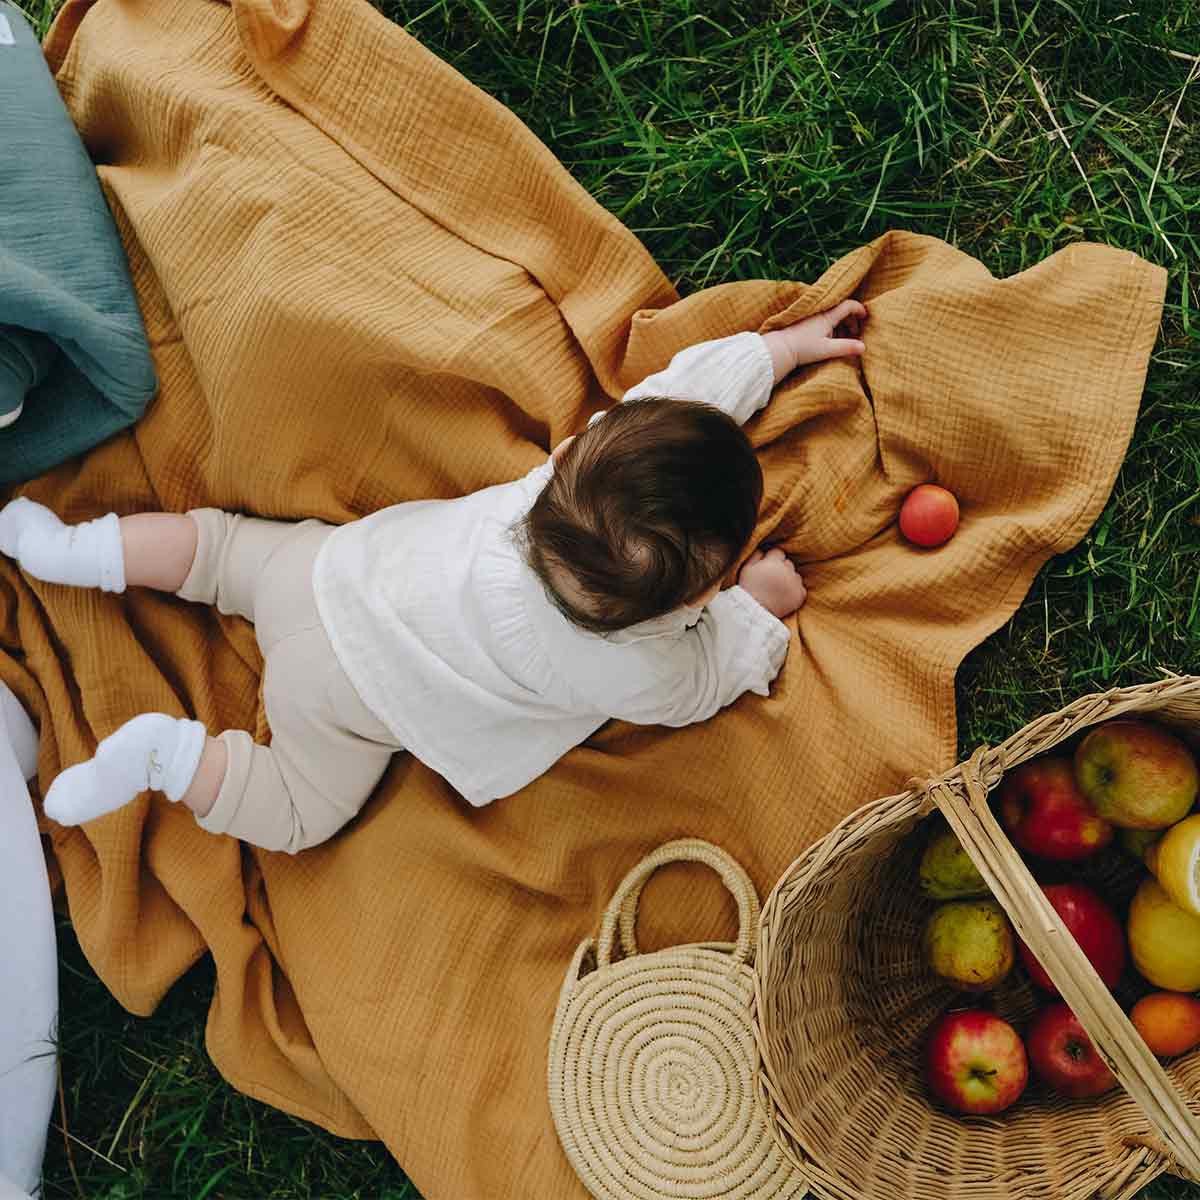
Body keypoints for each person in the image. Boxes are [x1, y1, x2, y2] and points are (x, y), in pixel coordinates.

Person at [0, 302, 867, 853]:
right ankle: (171, 755)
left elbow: (678, 396)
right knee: (299, 815)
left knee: (217, 550)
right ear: (692, 597)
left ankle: (74, 551)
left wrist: (777, 349)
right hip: (347, 705)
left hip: (322, 578)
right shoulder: (642, 666)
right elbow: (710, 677)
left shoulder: (560, 476)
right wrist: (759, 609)